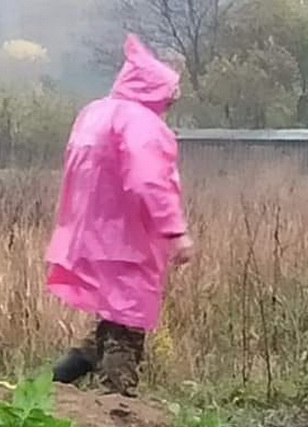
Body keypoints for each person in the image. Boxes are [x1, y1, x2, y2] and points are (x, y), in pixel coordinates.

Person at [47, 34, 194, 397]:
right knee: (127, 323)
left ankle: (59, 378)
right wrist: (175, 232)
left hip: (88, 231)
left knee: (113, 313)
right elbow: (150, 181)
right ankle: (115, 406)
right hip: (124, 240)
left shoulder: (94, 113)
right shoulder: (141, 123)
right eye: (170, 97)